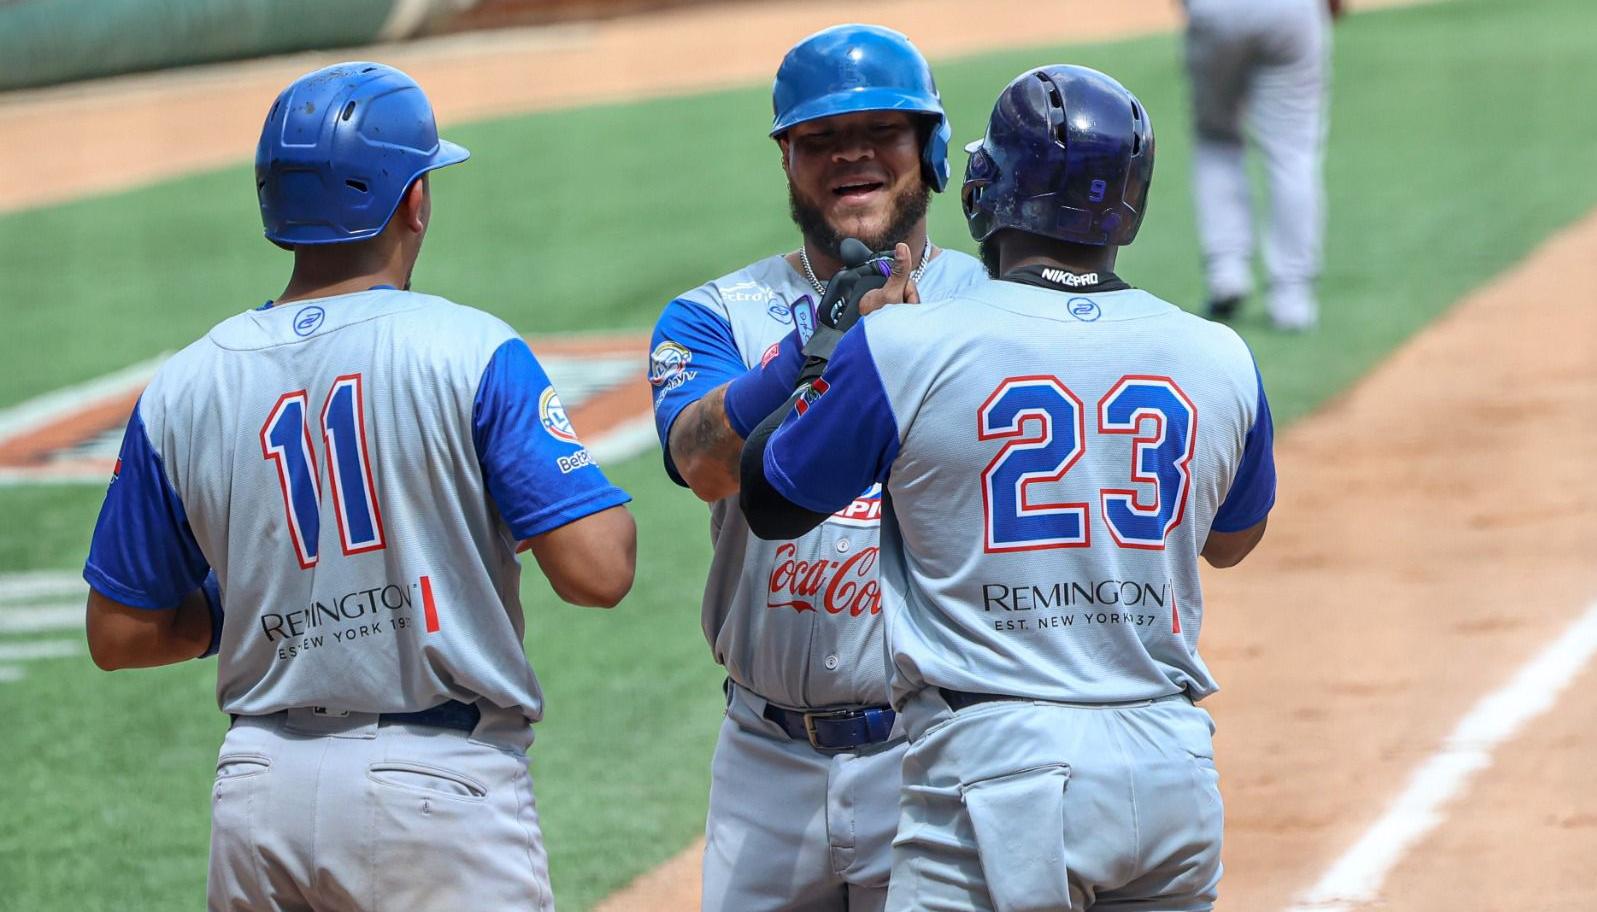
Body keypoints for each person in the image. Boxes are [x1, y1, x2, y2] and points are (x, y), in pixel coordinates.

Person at [81, 62, 636, 911]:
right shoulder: (467, 348)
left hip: (257, 793)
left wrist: (261, 603)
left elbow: (121, 633)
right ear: (413, 200)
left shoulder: (182, 385)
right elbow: (598, 572)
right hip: (435, 794)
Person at [741, 65, 1275, 911]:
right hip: (1171, 765)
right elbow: (1234, 540)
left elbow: (771, 501)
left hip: (1000, 769)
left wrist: (826, 360)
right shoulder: (1217, 354)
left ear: (987, 185)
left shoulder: (910, 344)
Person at [647, 23, 986, 912]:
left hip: (941, 748)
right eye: (820, 139)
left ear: (929, 146)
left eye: (879, 133)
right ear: (786, 160)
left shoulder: (995, 311)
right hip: (765, 762)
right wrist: (818, 338)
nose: (851, 157)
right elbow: (703, 465)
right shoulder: (715, 314)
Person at [1187, 0, 1340, 331]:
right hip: (1290, 12)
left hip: (1216, 11)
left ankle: (1226, 273)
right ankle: (1292, 299)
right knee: (1293, 151)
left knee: (1217, 139)